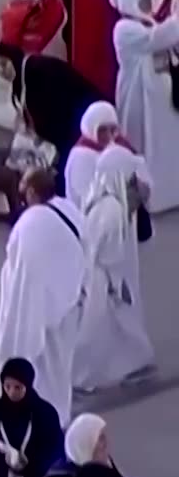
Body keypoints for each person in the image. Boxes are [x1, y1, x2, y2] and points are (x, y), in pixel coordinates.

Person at [0, 168, 85, 425]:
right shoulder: (68, 209)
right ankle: (60, 417)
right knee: (60, 369)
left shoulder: (30, 224)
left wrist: (14, 333)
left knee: (42, 374)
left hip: (39, 310)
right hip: (69, 303)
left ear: (33, 192)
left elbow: (23, 273)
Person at [74, 146, 156, 389]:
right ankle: (82, 377)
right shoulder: (111, 210)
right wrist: (115, 284)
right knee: (94, 329)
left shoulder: (105, 202)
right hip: (101, 277)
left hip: (103, 276)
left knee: (112, 323)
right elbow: (99, 252)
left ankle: (134, 362)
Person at [110, 0, 179, 211]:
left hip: (155, 101)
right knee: (138, 142)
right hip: (136, 96)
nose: (149, 1)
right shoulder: (125, 29)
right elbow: (158, 38)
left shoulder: (143, 22)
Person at [37, 414, 135, 477]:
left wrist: (108, 466)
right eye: (101, 438)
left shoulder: (104, 470)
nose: (106, 443)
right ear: (86, 442)